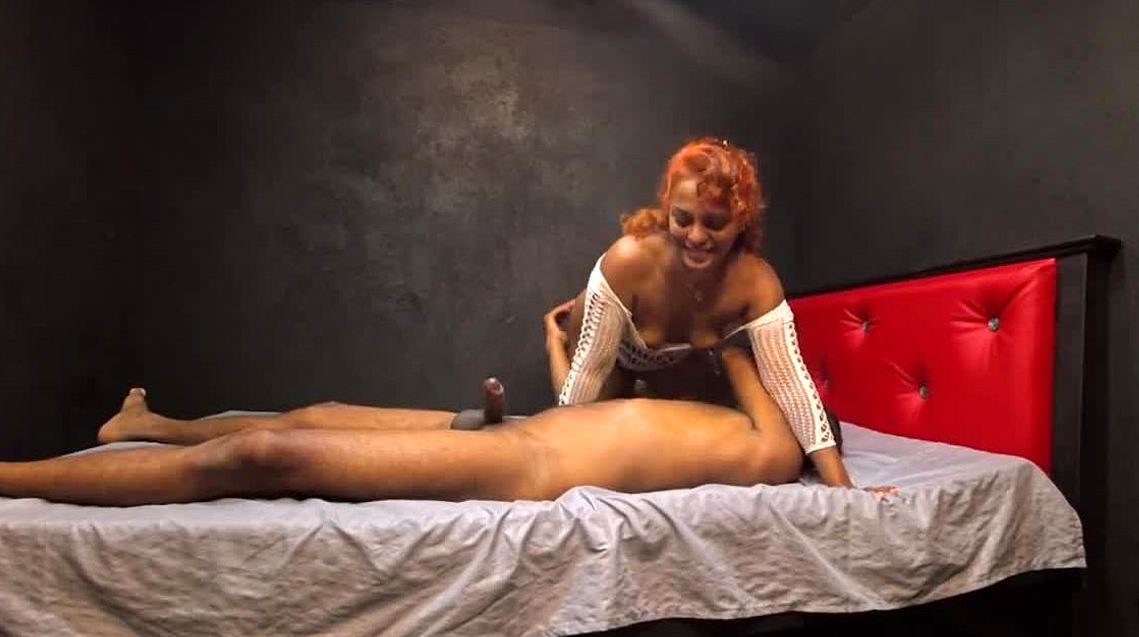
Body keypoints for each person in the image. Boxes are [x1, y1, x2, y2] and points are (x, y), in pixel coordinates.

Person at [0, 348, 828, 507]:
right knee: (317, 415)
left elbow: (767, 395)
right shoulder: (693, 411)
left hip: (526, 466)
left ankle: (12, 477)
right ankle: (148, 424)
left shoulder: (764, 447)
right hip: (520, 431)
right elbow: (586, 400)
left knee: (263, 452)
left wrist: (737, 343)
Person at [547, 136, 855, 488]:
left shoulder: (756, 282)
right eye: (682, 219)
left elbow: (791, 385)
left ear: (741, 220)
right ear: (667, 208)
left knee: (677, 415)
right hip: (610, 355)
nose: (695, 236)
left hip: (674, 365)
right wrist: (556, 461)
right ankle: (554, 340)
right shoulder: (628, 260)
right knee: (591, 423)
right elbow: (588, 374)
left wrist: (845, 489)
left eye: (714, 223)